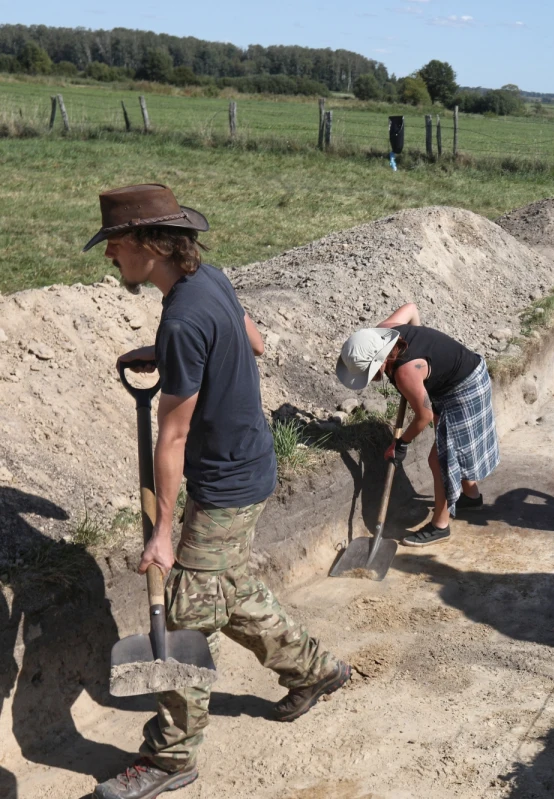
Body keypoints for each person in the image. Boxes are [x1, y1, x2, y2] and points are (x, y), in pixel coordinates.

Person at [88, 185, 350, 799]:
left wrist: (161, 535)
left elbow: (172, 437)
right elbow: (250, 341)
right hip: (250, 464)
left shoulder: (183, 316)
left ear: (150, 246)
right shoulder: (209, 282)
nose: (111, 258)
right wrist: (174, 356)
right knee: (224, 590)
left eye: (117, 244)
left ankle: (171, 758)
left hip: (225, 481)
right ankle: (315, 670)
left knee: (183, 610)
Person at [337, 303, 499, 547]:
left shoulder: (405, 373)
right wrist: (422, 355)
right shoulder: (385, 331)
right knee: (451, 447)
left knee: (440, 459)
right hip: (452, 380)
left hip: (466, 388)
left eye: (371, 371)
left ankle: (440, 526)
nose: (372, 378)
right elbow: (411, 309)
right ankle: (471, 497)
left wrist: (401, 443)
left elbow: (423, 416)